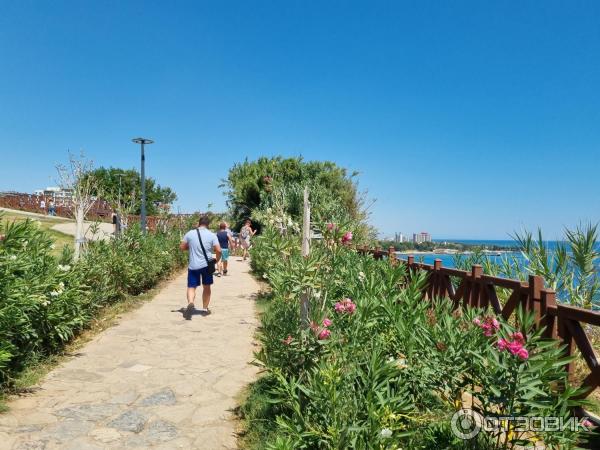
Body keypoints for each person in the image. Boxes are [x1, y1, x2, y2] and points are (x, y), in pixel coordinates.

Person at [180, 215, 222, 320]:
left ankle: (190, 302)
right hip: (206, 266)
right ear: (208, 224)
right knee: (206, 287)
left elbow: (182, 247)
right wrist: (216, 260)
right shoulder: (212, 235)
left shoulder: (190, 233)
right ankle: (204, 309)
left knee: (191, 287)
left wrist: (191, 246)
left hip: (193, 265)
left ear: (199, 223)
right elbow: (219, 250)